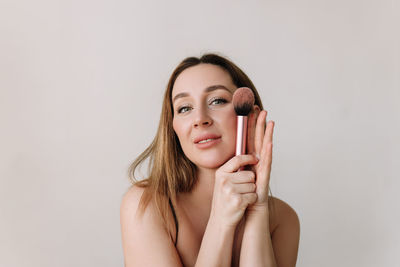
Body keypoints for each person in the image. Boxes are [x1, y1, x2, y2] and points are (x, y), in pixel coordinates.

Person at [120, 53, 300, 267]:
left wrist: (256, 212)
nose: (200, 119)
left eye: (217, 101)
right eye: (184, 108)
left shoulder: (283, 219)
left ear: (251, 116)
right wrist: (220, 221)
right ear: (173, 127)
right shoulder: (146, 206)